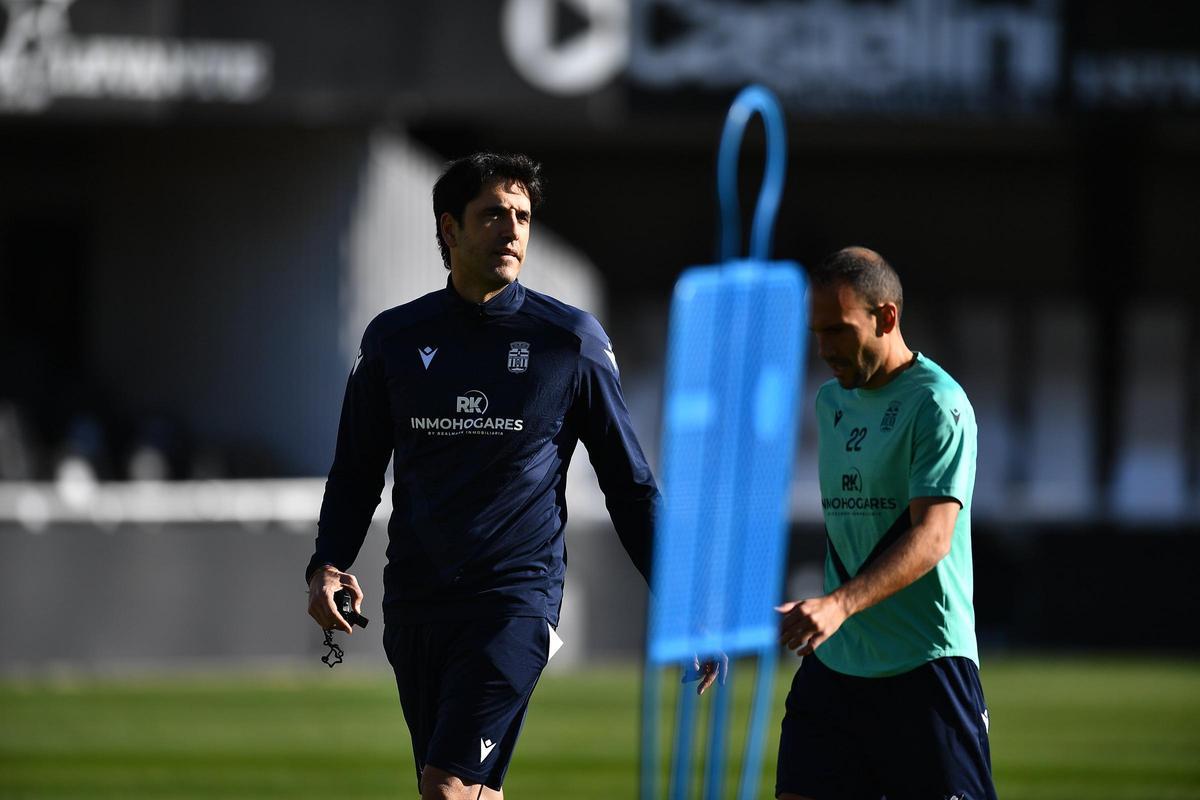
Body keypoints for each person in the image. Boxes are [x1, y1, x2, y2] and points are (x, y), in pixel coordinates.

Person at [305, 153, 717, 800]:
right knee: (473, 791)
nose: (512, 229)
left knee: (445, 788)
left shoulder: (569, 341)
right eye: (493, 214)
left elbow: (629, 486)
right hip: (416, 601)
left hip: (514, 600)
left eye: (522, 216)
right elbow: (357, 469)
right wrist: (328, 562)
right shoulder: (393, 339)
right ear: (450, 229)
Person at [774, 247, 996, 800]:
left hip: (924, 666)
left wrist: (839, 604)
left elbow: (934, 536)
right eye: (817, 332)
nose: (824, 349)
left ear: (886, 317)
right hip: (838, 665)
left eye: (839, 331)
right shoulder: (832, 402)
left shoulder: (937, 405)